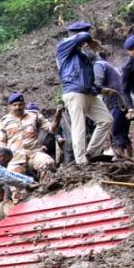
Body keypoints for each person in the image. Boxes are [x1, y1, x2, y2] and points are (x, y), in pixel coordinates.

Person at [56, 21, 113, 164]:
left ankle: (90, 153)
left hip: (88, 93)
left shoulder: (83, 55)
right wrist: (89, 39)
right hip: (74, 92)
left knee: (106, 120)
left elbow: (88, 78)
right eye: (85, 33)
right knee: (79, 126)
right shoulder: (63, 46)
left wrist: (101, 89)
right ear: (74, 34)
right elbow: (83, 36)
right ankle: (81, 160)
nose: (87, 38)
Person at [0, 92, 55, 178]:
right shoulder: (4, 121)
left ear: (24, 104)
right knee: (12, 179)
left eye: (20, 104)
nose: (18, 107)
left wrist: (57, 116)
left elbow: (51, 128)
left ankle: (47, 185)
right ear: (9, 106)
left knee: (47, 163)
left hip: (34, 154)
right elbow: (0, 144)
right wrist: (1, 162)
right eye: (14, 105)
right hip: (14, 159)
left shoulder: (34, 115)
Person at [94, 51, 131, 158]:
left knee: (115, 132)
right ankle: (130, 158)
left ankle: (121, 160)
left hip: (115, 103)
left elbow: (98, 83)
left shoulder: (98, 65)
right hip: (124, 103)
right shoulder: (112, 67)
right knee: (123, 133)